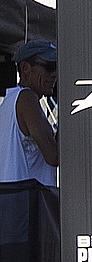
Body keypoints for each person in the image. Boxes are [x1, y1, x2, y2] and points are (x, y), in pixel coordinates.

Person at [1, 40, 58, 186]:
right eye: (49, 67)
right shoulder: (27, 98)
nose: (55, 74)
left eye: (58, 67)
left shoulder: (9, 101)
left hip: (14, 201)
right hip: (27, 202)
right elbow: (54, 156)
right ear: (25, 68)